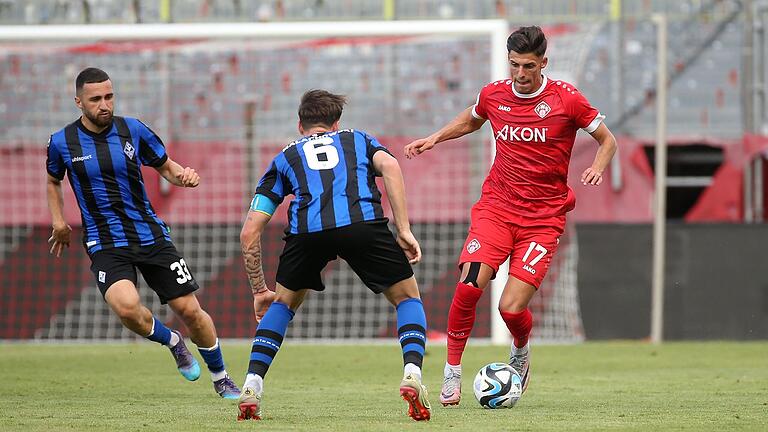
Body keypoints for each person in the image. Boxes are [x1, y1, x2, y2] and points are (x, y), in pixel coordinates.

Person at [404, 26, 618, 405]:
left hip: (543, 218)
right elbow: (474, 117)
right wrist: (435, 137)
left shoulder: (566, 99)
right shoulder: (495, 93)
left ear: (544, 64)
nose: (520, 74)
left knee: (510, 307)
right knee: (469, 285)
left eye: (529, 67)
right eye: (515, 65)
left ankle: (520, 348)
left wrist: (599, 166)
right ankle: (452, 372)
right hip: (496, 209)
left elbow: (607, 139)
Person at [45, 67, 241, 399]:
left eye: (109, 96)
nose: (104, 105)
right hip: (104, 241)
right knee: (126, 308)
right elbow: (53, 180)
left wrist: (184, 177)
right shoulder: (62, 142)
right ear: (78, 101)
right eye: (95, 99)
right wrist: (58, 221)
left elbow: (166, 166)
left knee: (191, 311)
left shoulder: (133, 130)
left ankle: (221, 376)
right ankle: (173, 342)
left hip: (150, 235)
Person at [237, 90, 431, 421]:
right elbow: (392, 165)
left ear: (301, 125)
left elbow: (249, 231)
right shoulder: (358, 139)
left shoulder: (284, 158)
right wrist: (404, 229)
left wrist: (259, 290)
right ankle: (412, 373)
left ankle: (252, 384)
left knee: (282, 305)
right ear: (336, 123)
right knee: (407, 298)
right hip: (363, 224)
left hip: (307, 233)